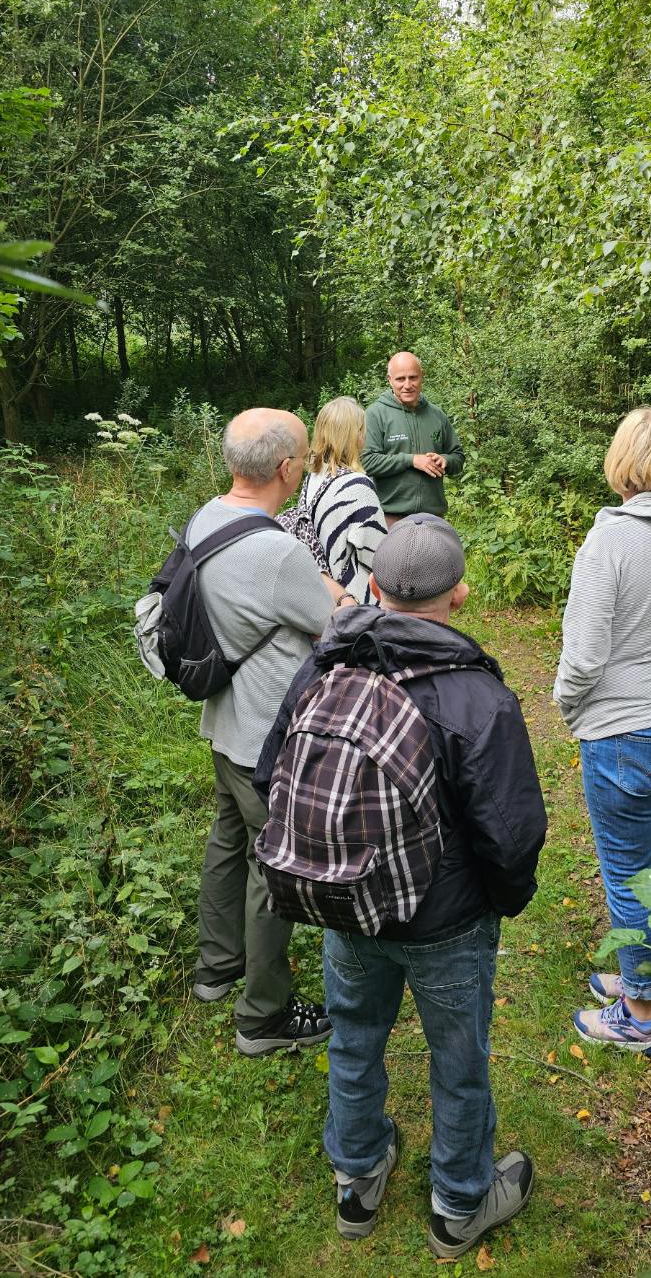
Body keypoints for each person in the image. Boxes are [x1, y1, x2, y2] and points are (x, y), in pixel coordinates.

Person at [255, 514, 547, 1258]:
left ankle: (357, 1181)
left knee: (354, 1040)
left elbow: (270, 777)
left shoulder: (323, 667)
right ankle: (458, 1204)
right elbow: (510, 832)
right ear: (461, 596)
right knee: (459, 1060)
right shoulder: (478, 698)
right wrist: (499, 902)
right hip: (446, 923)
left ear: (374, 588)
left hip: (346, 906)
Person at [189, 408, 354, 1057]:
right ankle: (263, 1017)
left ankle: (217, 968)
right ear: (287, 468)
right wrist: (337, 591)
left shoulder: (209, 517)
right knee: (271, 864)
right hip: (267, 738)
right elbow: (335, 621)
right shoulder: (279, 550)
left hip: (225, 721)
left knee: (227, 840)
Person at [554, 408, 651, 1053]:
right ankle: (641, 973)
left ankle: (643, 1014)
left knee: (626, 875)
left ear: (621, 463)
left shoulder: (610, 541)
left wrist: (567, 705)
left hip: (629, 731)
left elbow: (584, 655)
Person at [298, 396, 388, 604]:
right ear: (353, 435)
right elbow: (377, 554)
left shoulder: (313, 477)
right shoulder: (356, 485)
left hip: (324, 591)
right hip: (356, 597)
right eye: (361, 430)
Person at [362, 351, 465, 525]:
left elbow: (458, 458)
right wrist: (411, 460)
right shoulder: (375, 414)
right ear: (389, 380)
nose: (407, 385)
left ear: (422, 376)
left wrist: (445, 460)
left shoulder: (437, 415)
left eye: (413, 377)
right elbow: (367, 462)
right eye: (400, 379)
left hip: (434, 518)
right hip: (390, 518)